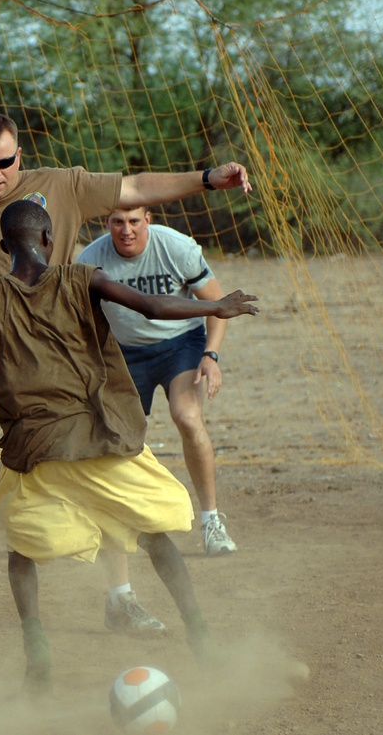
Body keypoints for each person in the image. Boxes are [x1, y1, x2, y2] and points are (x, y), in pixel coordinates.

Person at [0, 112, 252, 633]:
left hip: (62, 343)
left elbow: (139, 186)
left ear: (19, 157)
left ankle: (117, 599)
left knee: (94, 455)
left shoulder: (64, 190)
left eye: (5, 161)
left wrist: (208, 179)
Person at [0, 200, 259, 693]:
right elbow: (151, 306)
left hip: (36, 449)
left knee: (21, 548)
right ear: (49, 242)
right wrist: (214, 306)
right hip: (104, 437)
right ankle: (202, 638)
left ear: (2, 247)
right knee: (153, 536)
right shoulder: (82, 277)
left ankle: (37, 652)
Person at [77, 207, 238, 556]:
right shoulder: (91, 259)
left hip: (180, 345)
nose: (126, 230)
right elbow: (81, 321)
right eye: (117, 222)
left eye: (134, 221)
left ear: (148, 219)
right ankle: (122, 522)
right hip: (124, 352)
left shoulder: (177, 248)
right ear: (106, 223)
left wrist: (210, 356)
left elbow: (218, 306)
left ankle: (211, 521)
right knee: (119, 436)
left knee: (187, 416)